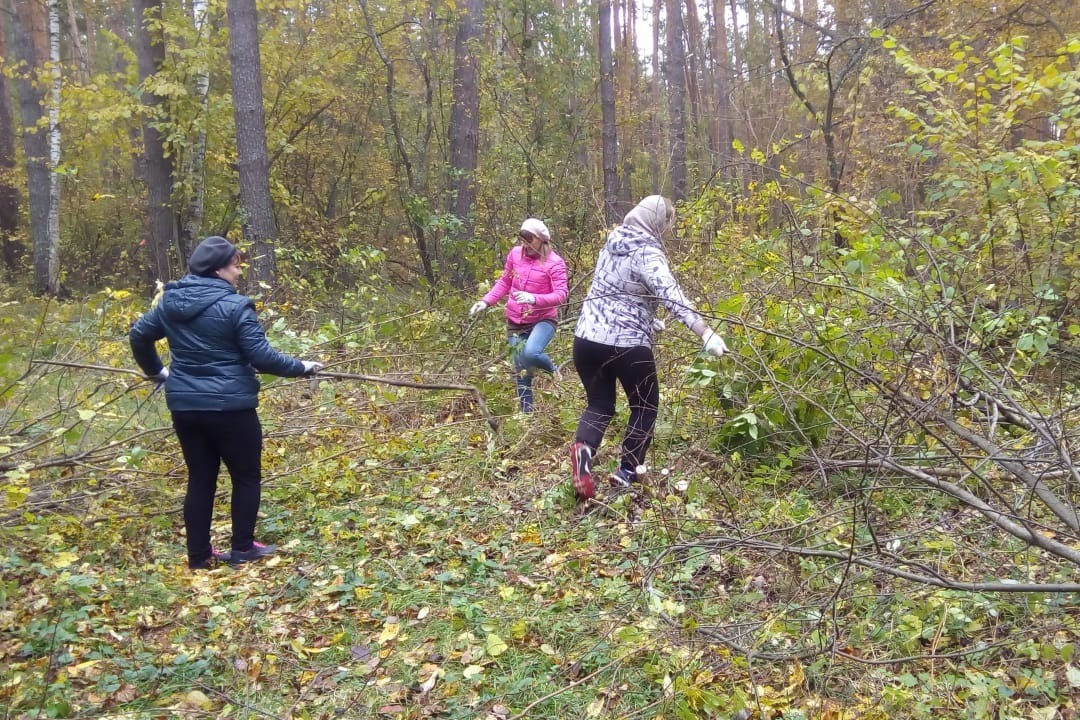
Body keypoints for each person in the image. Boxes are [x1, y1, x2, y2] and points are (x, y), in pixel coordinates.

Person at [129, 236, 323, 570]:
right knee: (246, 476)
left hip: (186, 407)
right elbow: (261, 356)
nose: (238, 272)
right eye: (235, 265)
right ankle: (243, 548)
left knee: (201, 478)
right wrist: (302, 367)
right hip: (231, 408)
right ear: (218, 269)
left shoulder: (169, 304)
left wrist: (158, 372)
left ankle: (199, 556)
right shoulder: (236, 306)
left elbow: (138, 335)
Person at [569, 195, 728, 499]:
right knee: (645, 406)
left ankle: (584, 451)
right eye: (668, 222)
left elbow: (614, 287)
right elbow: (671, 295)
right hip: (626, 345)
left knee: (599, 404)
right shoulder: (647, 251)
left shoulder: (613, 240)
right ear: (658, 222)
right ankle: (627, 471)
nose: (668, 229)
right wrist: (704, 332)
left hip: (586, 340)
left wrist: (648, 316)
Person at [470, 218, 569, 413]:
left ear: (541, 240)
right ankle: (527, 415)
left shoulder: (554, 263)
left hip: (543, 319)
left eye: (529, 240)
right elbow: (505, 282)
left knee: (531, 352)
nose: (525, 244)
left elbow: (561, 295)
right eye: (522, 239)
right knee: (521, 369)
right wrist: (486, 301)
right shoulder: (515, 255)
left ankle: (553, 370)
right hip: (515, 321)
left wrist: (534, 299)